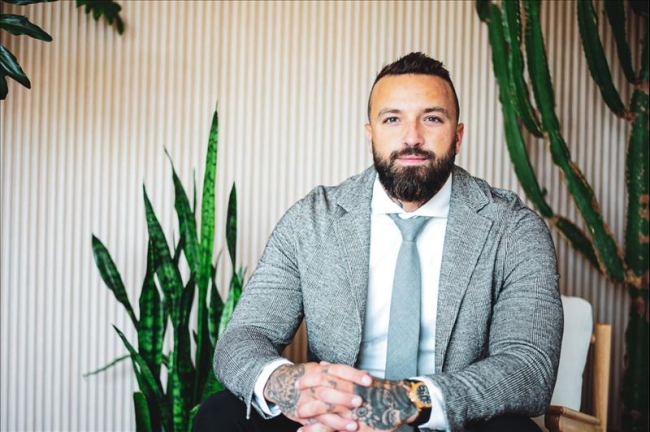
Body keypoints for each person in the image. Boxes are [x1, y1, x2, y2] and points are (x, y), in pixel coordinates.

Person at [194, 52, 563, 432]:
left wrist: (398, 402)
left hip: (445, 419)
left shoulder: (513, 228)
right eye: (392, 119)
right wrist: (292, 388)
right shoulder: (312, 220)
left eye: (432, 119)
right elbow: (244, 336)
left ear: (458, 136)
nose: (412, 138)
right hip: (331, 420)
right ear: (371, 134)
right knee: (220, 414)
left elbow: (528, 366)